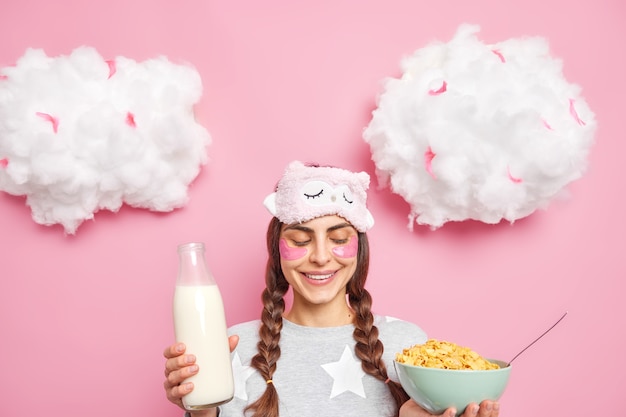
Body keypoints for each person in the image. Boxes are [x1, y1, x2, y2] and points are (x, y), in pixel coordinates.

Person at [163, 161, 500, 417]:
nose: (321, 257)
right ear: (277, 250)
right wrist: (202, 411)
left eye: (338, 239)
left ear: (360, 250)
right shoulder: (231, 348)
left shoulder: (406, 347)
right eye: (300, 240)